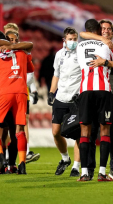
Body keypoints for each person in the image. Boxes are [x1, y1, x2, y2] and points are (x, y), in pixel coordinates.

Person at [80, 19, 113, 181]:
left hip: (110, 93)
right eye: (103, 28)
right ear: (98, 31)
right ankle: (91, 169)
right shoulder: (94, 43)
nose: (105, 31)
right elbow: (82, 33)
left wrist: (106, 62)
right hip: (94, 91)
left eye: (108, 29)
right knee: (91, 134)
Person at [0, 32, 34, 174]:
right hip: (21, 93)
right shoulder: (23, 53)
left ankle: (0, 155)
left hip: (4, 94)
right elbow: (31, 68)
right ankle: (22, 164)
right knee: (19, 131)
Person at [48, 27, 81, 177]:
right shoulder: (59, 55)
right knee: (56, 132)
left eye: (75, 39)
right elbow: (56, 75)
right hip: (60, 97)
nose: (73, 42)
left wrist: (81, 93)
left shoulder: (81, 54)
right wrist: (51, 92)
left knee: (78, 134)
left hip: (76, 99)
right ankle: (65, 159)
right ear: (64, 40)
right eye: (70, 39)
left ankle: (76, 166)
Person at [4, 28, 40, 164]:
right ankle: (2, 155)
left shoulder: (22, 54)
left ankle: (25, 153)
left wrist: (33, 89)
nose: (13, 42)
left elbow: (30, 72)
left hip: (21, 93)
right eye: (10, 39)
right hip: (5, 94)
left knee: (22, 124)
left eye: (15, 40)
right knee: (6, 126)